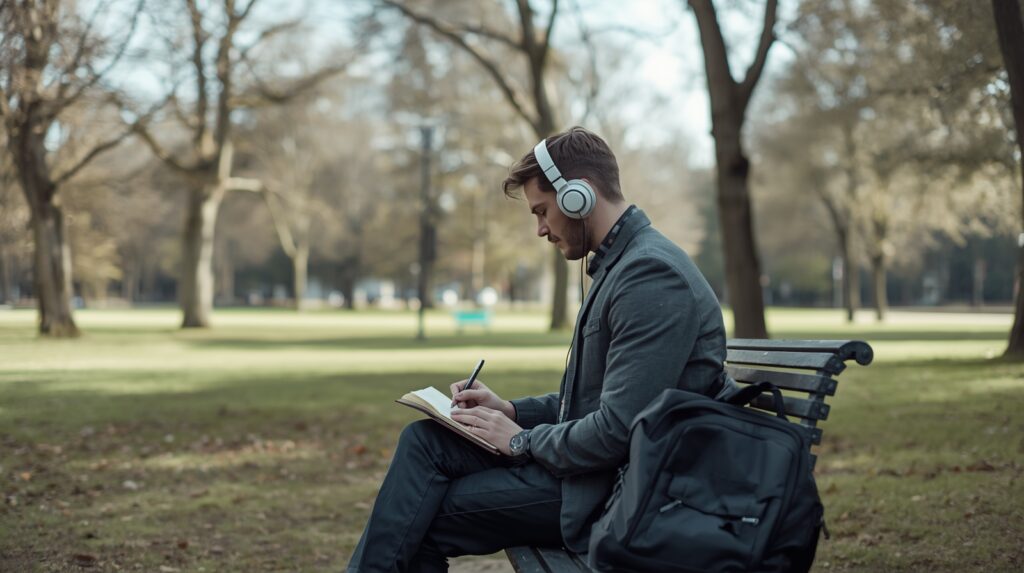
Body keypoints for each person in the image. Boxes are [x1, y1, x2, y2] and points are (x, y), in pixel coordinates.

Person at [346, 127, 727, 572]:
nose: (541, 229)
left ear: (578, 197)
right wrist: (510, 411)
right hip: (590, 472)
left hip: (616, 490)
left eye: (542, 211)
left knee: (419, 516)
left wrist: (520, 440)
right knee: (424, 441)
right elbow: (593, 403)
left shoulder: (650, 277)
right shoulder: (622, 267)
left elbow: (615, 432)